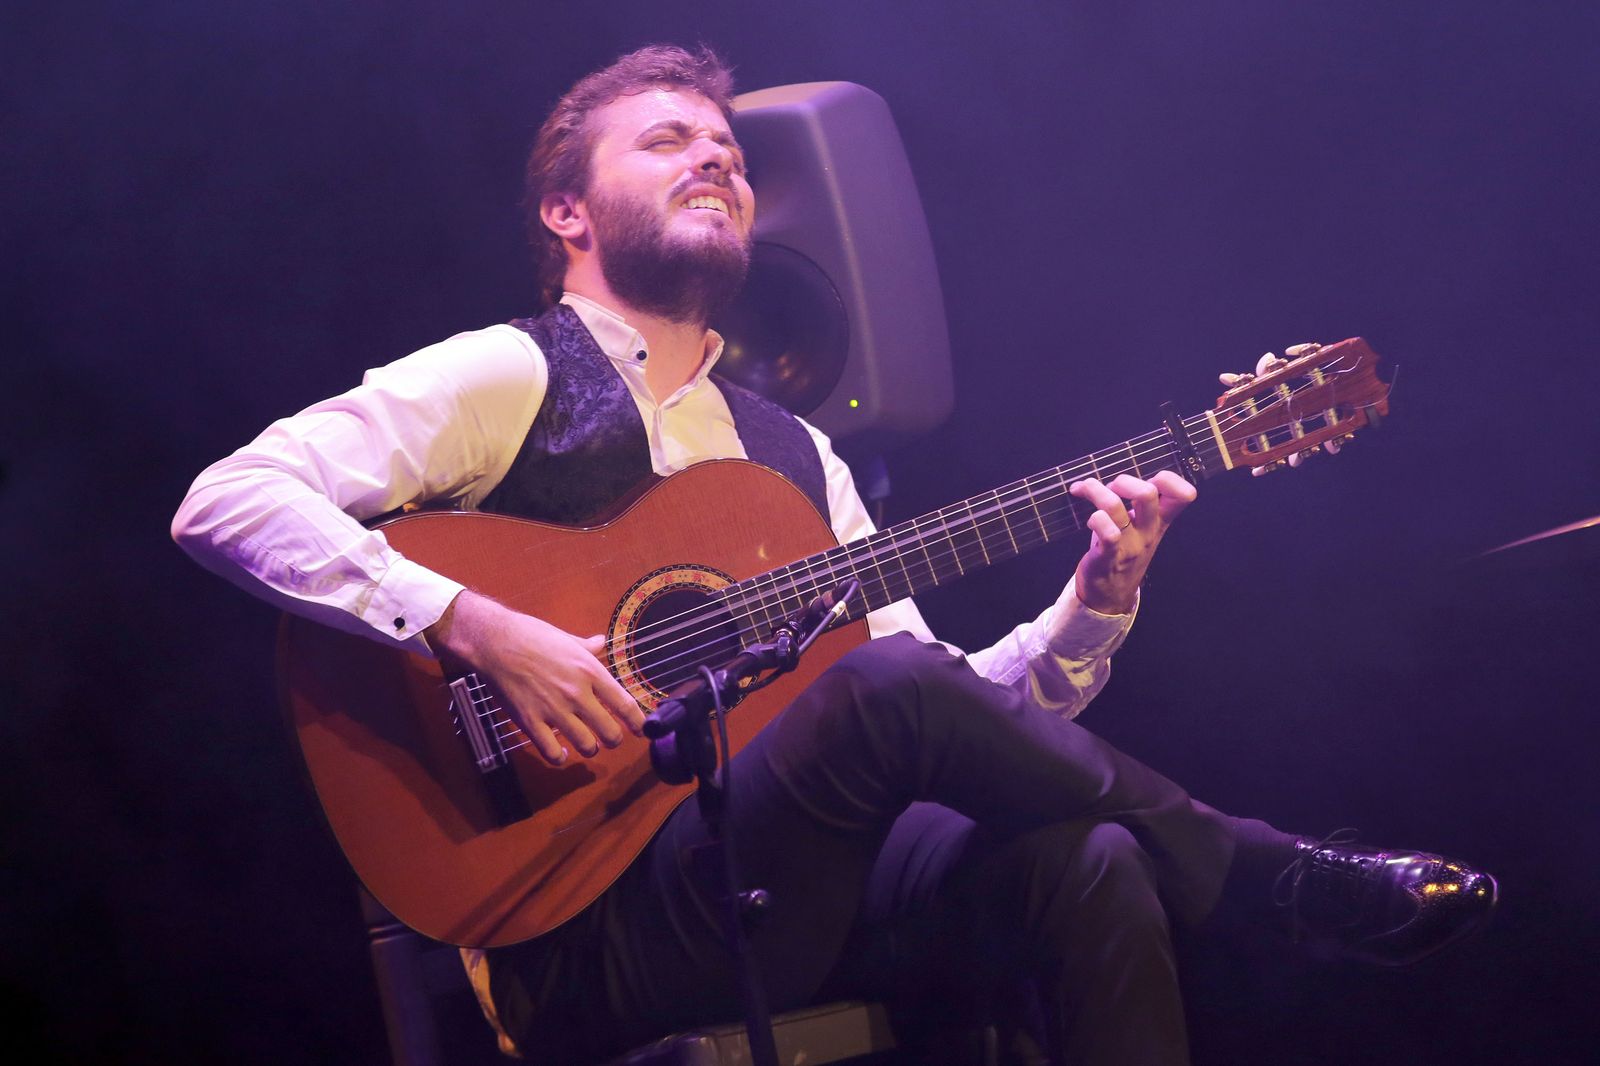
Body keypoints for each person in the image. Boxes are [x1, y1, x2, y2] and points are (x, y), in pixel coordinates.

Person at [172, 44, 1496, 1066]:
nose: (717, 159)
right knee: (883, 697)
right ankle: (1274, 876)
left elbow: (951, 702)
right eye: (670, 139)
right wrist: (473, 623)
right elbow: (230, 499)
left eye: (731, 150)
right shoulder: (509, 374)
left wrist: (1091, 607)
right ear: (570, 213)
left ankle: (1238, 876)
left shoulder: (793, 454)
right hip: (579, 918)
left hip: (781, 890)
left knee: (1083, 861)